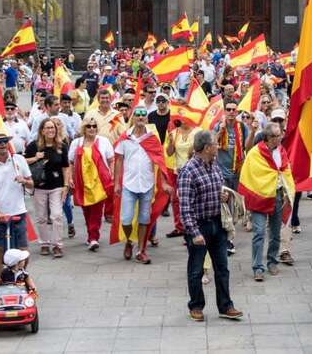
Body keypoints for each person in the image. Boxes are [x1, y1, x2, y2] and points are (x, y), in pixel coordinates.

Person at [178, 130, 244, 322]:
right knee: (196, 270)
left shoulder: (214, 164)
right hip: (199, 227)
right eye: (215, 143)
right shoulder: (188, 171)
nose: (218, 146)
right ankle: (196, 306)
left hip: (217, 224)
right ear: (206, 148)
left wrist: (222, 196)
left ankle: (226, 306)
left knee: (222, 268)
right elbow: (185, 207)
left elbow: (218, 188)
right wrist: (194, 233)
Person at [113, 107, 173, 265]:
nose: (140, 117)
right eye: (137, 115)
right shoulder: (125, 137)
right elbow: (118, 160)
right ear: (133, 117)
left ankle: (141, 250)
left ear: (146, 118)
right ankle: (129, 241)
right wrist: (117, 183)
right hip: (128, 184)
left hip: (147, 184)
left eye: (143, 115)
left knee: (144, 219)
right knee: (126, 219)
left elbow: (159, 161)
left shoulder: (152, 138)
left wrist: (164, 182)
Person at [238, 121, 294, 281]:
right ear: (268, 137)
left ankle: (272, 261)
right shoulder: (255, 153)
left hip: (277, 196)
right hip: (260, 197)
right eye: (276, 136)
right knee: (259, 233)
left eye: (280, 135)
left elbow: (285, 171)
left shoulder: (282, 151)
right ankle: (257, 267)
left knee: (276, 233)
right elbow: (249, 175)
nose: (279, 138)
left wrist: (287, 192)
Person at [0, 128, 34, 278]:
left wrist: (24, 181)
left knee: (24, 250)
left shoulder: (19, 160)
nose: (3, 144)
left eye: (5, 141)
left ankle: (22, 277)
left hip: (18, 212)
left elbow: (32, 184)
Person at [25, 118, 70, 258]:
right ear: (42, 130)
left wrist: (66, 185)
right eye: (48, 128)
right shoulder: (34, 146)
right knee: (41, 217)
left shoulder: (61, 146)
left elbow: (66, 167)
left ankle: (57, 245)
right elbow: (23, 161)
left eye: (53, 128)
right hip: (39, 186)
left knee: (56, 215)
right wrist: (35, 157)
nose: (51, 130)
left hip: (57, 186)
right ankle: (44, 243)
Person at [68, 116, 114, 251]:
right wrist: (70, 178)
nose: (92, 128)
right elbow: (70, 162)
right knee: (86, 210)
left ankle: (94, 237)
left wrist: (112, 174)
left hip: (100, 182)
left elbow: (111, 160)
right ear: (84, 128)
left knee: (96, 211)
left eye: (94, 126)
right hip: (82, 182)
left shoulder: (104, 141)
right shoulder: (76, 143)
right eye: (89, 126)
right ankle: (91, 235)